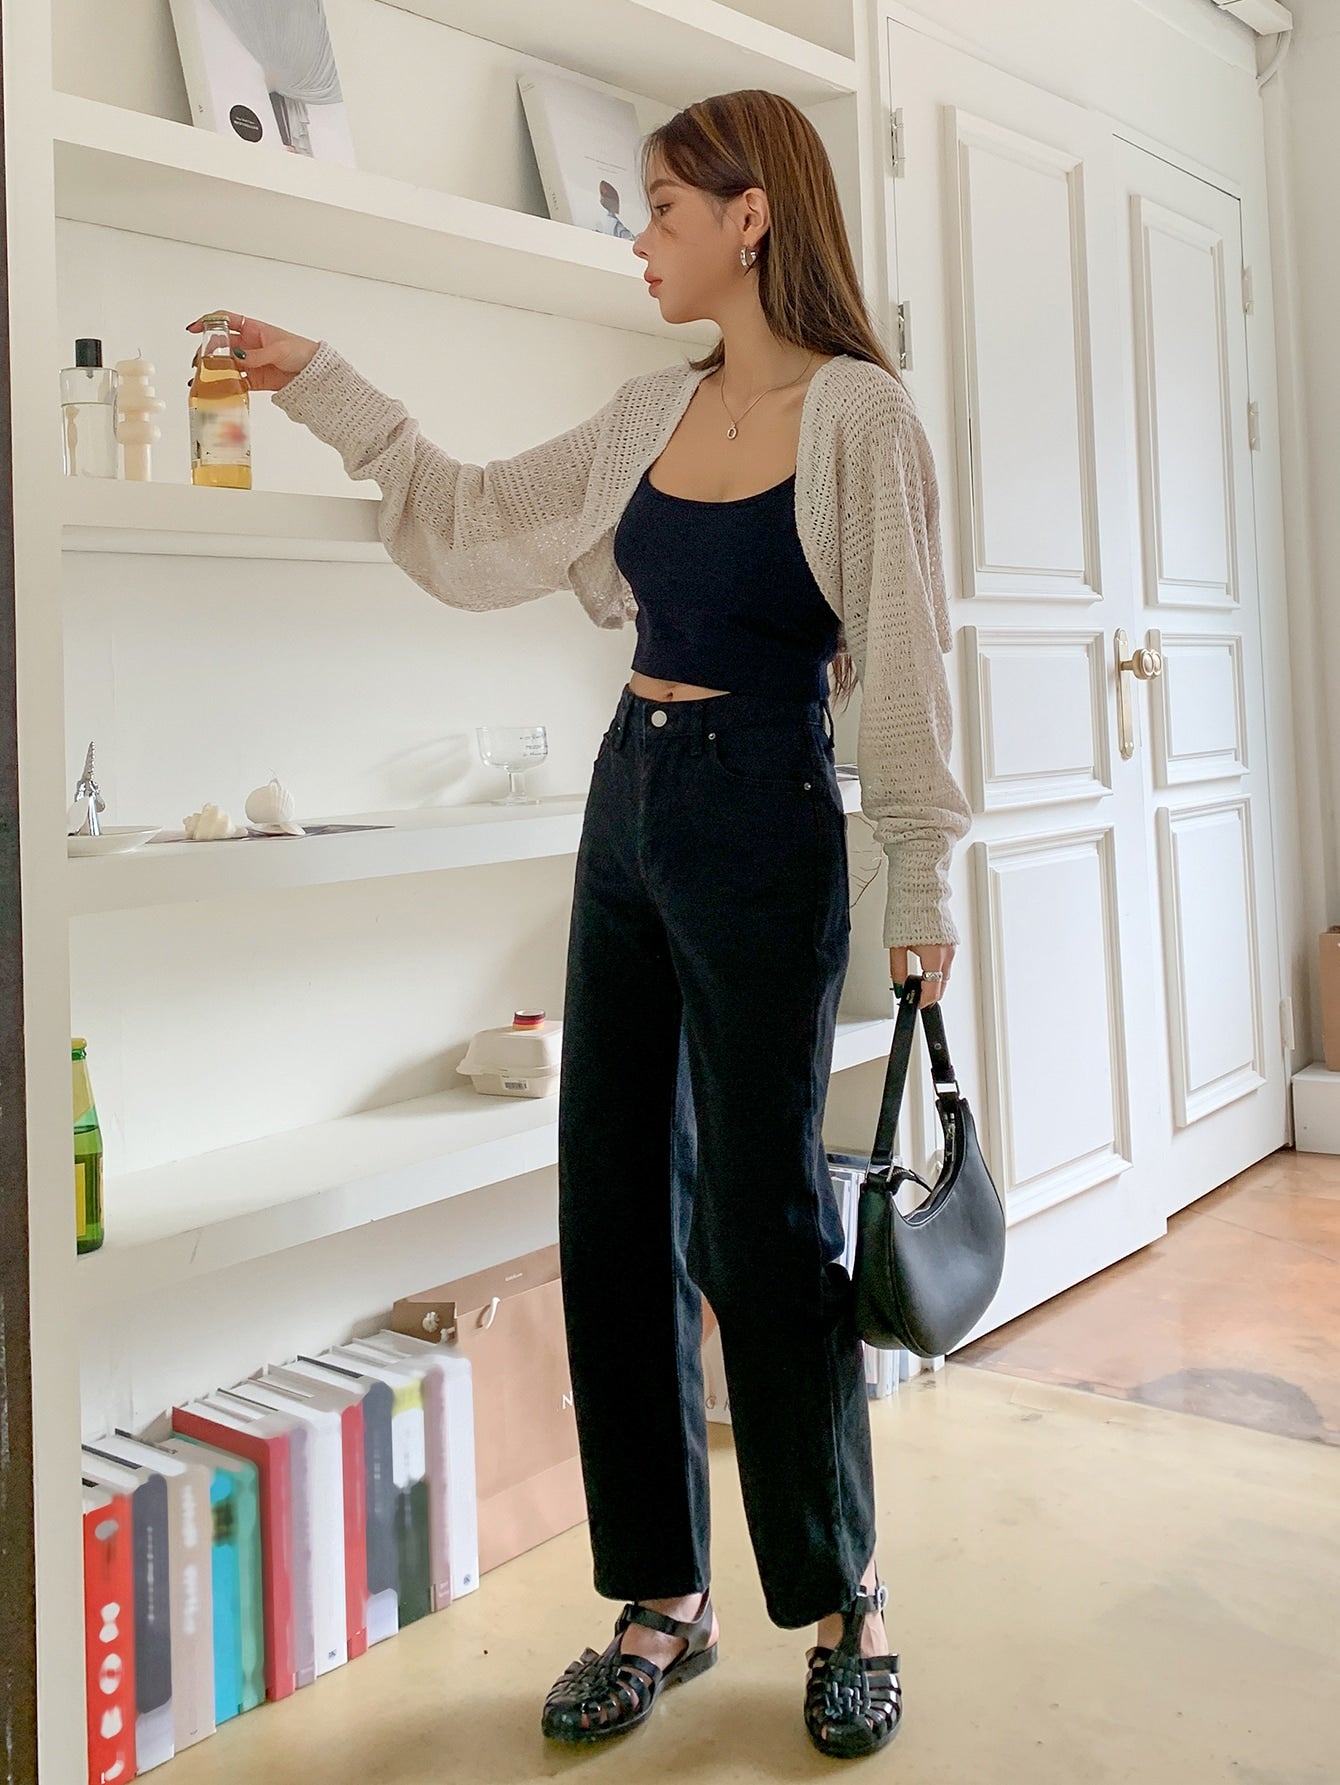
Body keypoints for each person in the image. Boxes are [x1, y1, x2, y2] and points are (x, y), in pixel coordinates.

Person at [189, 85, 971, 1760]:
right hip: (632, 805)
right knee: (611, 1205)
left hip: (766, 813)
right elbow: (471, 517)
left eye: (666, 209)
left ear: (753, 218)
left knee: (762, 1224)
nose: (641, 240)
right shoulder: (644, 413)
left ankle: (845, 1597)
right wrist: (325, 382)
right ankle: (662, 1600)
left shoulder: (861, 418)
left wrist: (924, 877)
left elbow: (906, 664)